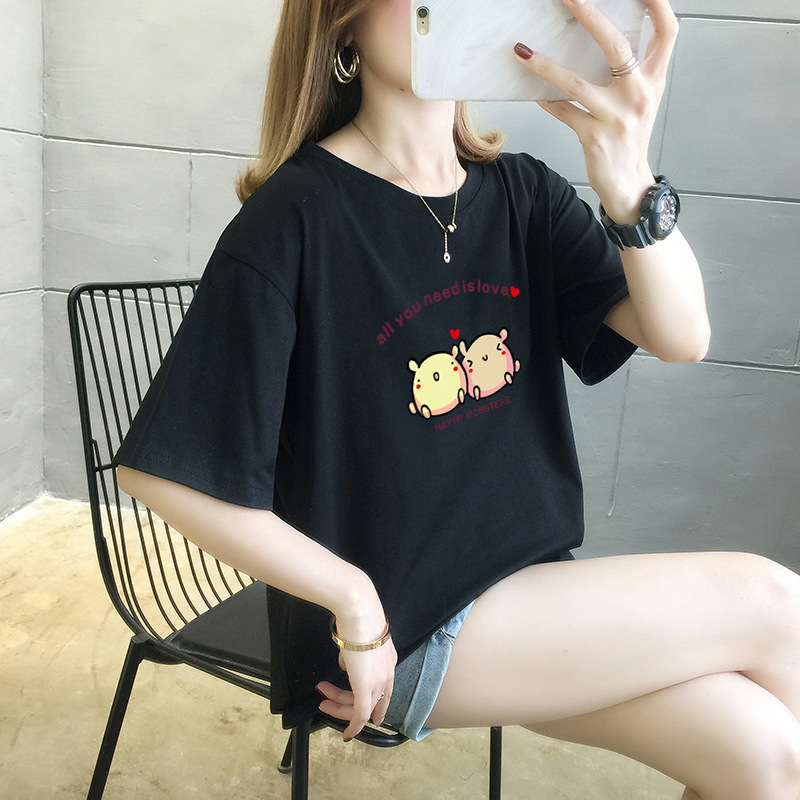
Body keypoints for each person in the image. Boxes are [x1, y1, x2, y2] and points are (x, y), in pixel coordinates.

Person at [114, 0, 800, 797]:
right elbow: (158, 473)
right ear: (341, 23)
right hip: (403, 627)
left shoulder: (522, 195)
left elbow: (682, 336)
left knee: (766, 753)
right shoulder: (293, 220)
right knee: (775, 604)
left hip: (528, 591)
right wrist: (352, 597)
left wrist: (628, 177)